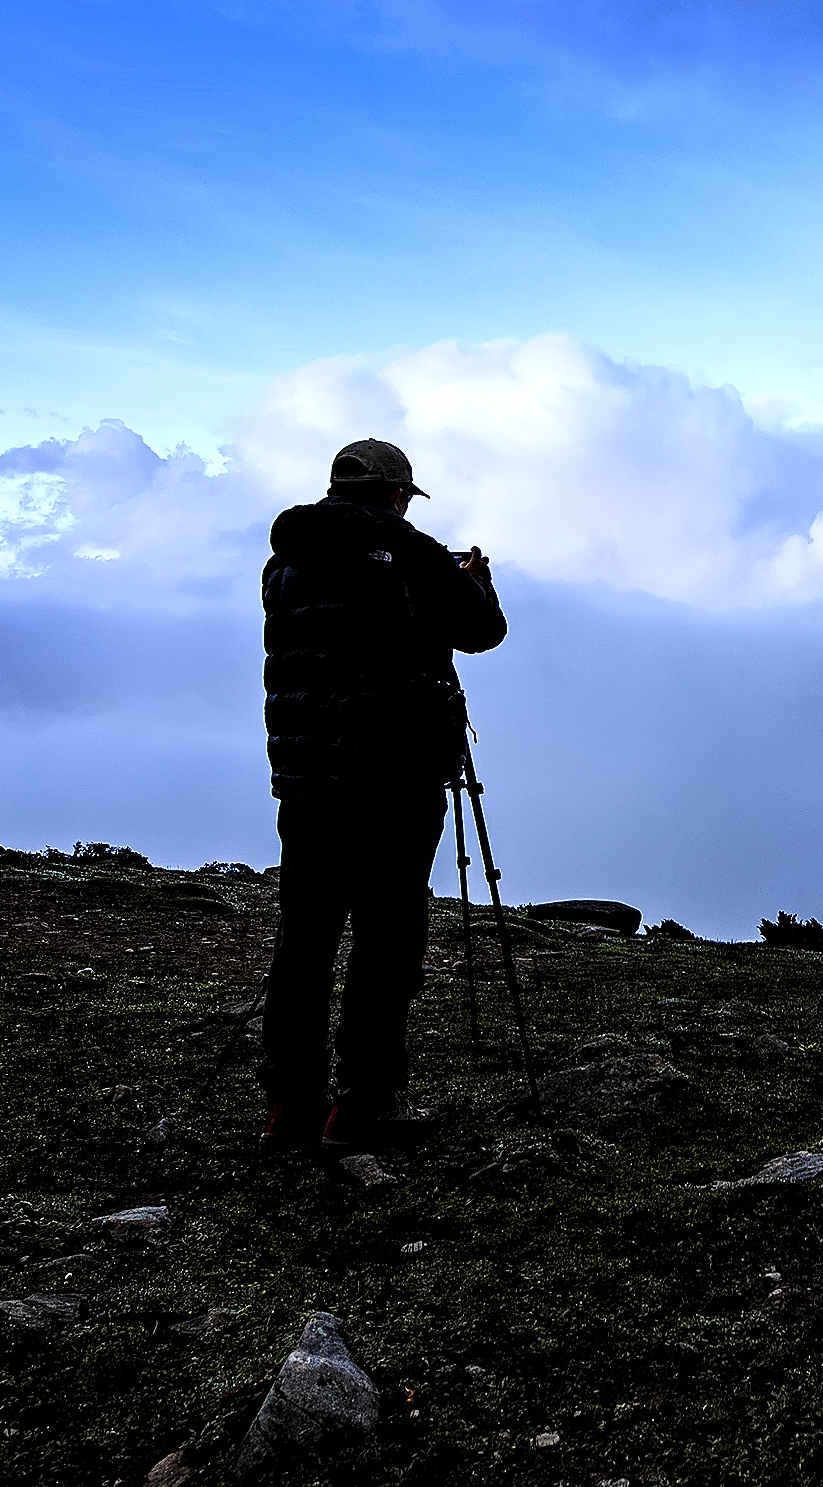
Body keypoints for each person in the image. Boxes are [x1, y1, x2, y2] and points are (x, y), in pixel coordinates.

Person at [257, 438, 505, 1153]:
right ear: (398, 495)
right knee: (387, 939)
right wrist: (475, 580)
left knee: (304, 939)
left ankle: (288, 1104)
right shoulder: (413, 555)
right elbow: (482, 630)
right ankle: (364, 1103)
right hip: (395, 778)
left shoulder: (285, 562)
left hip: (305, 780)